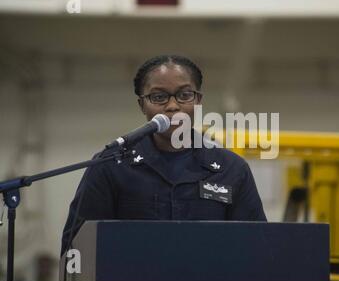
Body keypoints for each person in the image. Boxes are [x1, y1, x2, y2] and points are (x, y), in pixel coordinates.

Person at [61, 55, 267, 256]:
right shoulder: (110, 164)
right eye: (159, 97)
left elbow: (257, 247)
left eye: (185, 95)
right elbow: (76, 249)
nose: (172, 106)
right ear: (142, 105)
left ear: (198, 101)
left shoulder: (231, 169)